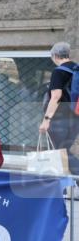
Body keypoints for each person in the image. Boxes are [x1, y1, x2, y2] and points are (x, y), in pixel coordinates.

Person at [42, 42, 78, 175]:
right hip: (75, 117)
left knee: (59, 151)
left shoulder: (59, 71)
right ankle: (63, 184)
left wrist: (46, 120)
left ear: (55, 56)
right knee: (63, 150)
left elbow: (56, 96)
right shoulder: (76, 69)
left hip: (60, 118)